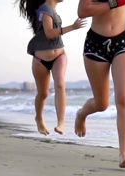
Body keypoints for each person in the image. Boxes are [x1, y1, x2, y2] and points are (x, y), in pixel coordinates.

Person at [75, 0, 125, 168]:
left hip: (122, 41)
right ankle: (81, 114)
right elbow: (83, 11)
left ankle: (123, 153)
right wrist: (113, 3)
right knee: (101, 104)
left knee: (124, 97)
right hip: (96, 45)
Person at [16, 0, 86, 135]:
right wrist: (73, 27)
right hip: (40, 59)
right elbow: (49, 33)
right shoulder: (45, 9)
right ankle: (39, 118)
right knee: (43, 93)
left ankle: (61, 122)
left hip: (59, 55)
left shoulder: (52, 10)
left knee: (60, 84)